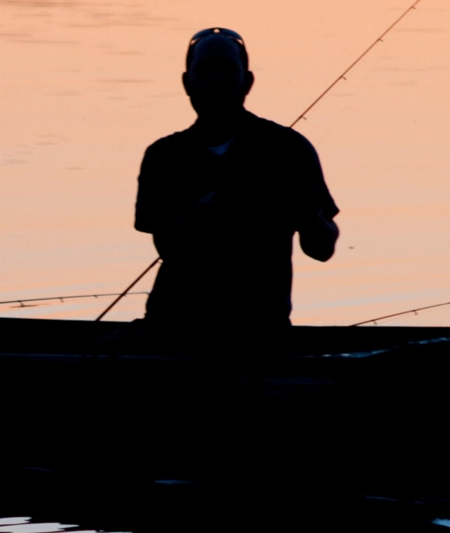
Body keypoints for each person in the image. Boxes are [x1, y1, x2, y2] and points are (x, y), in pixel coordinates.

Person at [133, 28, 339, 337]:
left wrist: (309, 215)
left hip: (261, 329)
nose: (216, 78)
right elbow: (167, 245)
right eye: (205, 70)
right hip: (174, 327)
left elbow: (322, 249)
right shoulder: (164, 156)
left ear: (248, 81)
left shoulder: (289, 148)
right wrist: (207, 210)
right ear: (187, 83)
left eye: (227, 69)